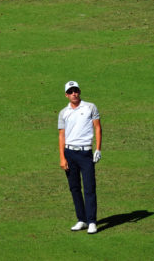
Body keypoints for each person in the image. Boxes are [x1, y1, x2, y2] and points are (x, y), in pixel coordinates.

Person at [58, 81, 102, 234]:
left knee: (89, 187)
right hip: (70, 153)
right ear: (66, 95)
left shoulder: (90, 107)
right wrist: (62, 158)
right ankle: (81, 220)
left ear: (79, 91)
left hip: (85, 153)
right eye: (70, 92)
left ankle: (91, 221)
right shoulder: (63, 112)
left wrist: (98, 149)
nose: (74, 94)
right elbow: (61, 135)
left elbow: (97, 127)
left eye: (75, 90)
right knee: (75, 188)